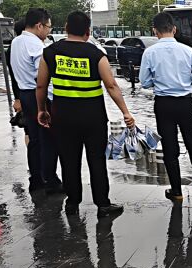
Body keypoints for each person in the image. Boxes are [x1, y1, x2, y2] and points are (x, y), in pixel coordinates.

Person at [35, 11, 135, 218]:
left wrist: (41, 109)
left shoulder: (50, 53)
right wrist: (125, 112)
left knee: (69, 160)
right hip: (93, 118)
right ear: (88, 32)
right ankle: (103, 205)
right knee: (96, 160)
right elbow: (111, 85)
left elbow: (41, 85)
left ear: (66, 28)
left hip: (62, 118)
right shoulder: (96, 54)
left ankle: (72, 203)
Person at [139, 12, 192, 201]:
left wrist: (158, 80)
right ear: (174, 29)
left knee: (169, 147)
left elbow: (144, 82)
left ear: (155, 31)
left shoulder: (150, 52)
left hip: (164, 104)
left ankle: (176, 191)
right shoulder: (188, 51)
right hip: (185, 103)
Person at [10, 8, 62, 193]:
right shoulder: (37, 47)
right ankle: (51, 180)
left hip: (25, 94)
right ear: (39, 25)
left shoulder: (16, 42)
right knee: (48, 139)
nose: (48, 31)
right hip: (38, 96)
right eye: (48, 26)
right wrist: (50, 101)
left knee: (34, 139)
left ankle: (36, 179)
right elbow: (43, 79)